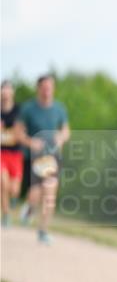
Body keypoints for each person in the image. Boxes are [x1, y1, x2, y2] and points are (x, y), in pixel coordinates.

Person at [16, 74, 70, 245]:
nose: (47, 90)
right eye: (44, 87)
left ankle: (43, 231)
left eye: (50, 87)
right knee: (36, 193)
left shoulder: (59, 109)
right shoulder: (28, 109)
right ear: (38, 88)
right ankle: (30, 208)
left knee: (50, 194)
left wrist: (61, 138)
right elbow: (18, 134)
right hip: (34, 157)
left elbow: (66, 131)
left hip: (52, 156)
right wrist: (31, 142)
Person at [1, 80, 25, 226]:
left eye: (8, 89)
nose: (5, 92)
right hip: (1, 153)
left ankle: (13, 200)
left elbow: (19, 132)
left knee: (13, 189)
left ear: (12, 92)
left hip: (16, 154)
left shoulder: (19, 110)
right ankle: (6, 215)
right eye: (3, 89)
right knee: (2, 183)